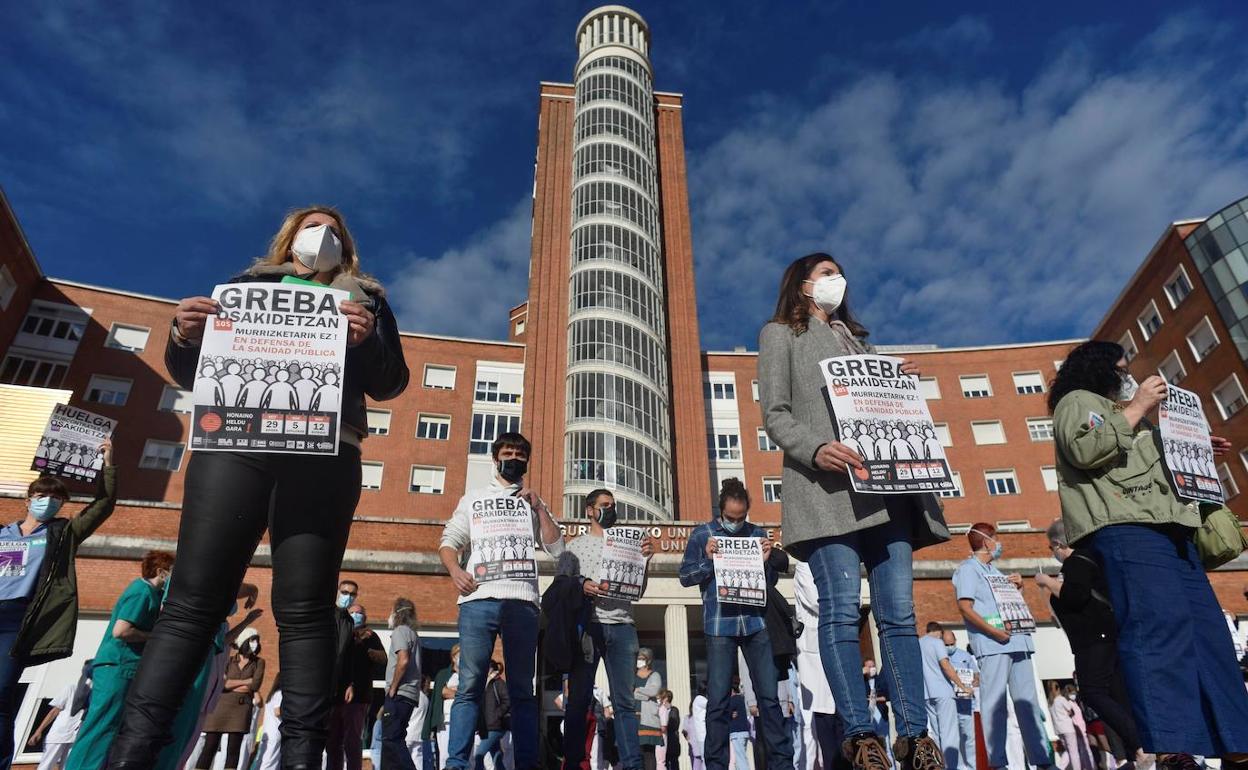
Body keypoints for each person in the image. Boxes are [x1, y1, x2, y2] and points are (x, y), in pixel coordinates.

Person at [106, 206, 410, 770]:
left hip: (326, 450)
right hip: (234, 449)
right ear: (288, 240)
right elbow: (192, 373)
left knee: (308, 610)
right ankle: (131, 757)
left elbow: (392, 381)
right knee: (191, 605)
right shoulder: (243, 288)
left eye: (333, 231)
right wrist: (183, 333)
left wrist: (366, 342)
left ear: (346, 248)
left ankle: (299, 758)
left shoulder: (366, 301)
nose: (320, 237)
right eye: (309, 227)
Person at [758, 253, 949, 770]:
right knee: (842, 610)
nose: (835, 281)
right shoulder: (780, 335)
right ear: (800, 284)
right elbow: (775, 412)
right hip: (826, 492)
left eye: (838, 273)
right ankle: (861, 735)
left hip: (888, 495)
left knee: (900, 616)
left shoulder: (861, 345)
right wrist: (814, 447)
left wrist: (895, 381)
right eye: (825, 273)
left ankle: (916, 737)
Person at [1049, 341, 1248, 765]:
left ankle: (1237, 743)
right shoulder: (1077, 401)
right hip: (1126, 529)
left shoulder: (1132, 418)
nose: (1128, 376)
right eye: (1121, 368)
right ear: (1099, 369)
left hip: (1172, 531)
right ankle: (1172, 748)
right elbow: (1084, 449)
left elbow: (1147, 461)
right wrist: (1137, 406)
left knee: (1208, 635)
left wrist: (1189, 449)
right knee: (1157, 632)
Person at [439, 432, 564, 770]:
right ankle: (456, 764)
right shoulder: (474, 498)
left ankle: (525, 763)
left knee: (523, 689)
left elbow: (557, 547)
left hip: (522, 603)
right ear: (495, 458)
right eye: (508, 452)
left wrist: (538, 508)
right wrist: (454, 570)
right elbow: (450, 540)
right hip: (477, 600)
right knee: (469, 685)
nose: (514, 458)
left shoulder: (533, 501)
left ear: (526, 461)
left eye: (521, 454)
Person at [2, 443, 117, 770]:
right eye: (41, 494)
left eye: (56, 498)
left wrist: (107, 463)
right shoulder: (3, 533)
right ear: (27, 499)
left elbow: (104, 504)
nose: (48, 501)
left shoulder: (63, 533)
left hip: (18, 621)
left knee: (1, 691)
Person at [679, 479, 793, 770]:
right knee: (717, 700)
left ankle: (781, 764)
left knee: (769, 699)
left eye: (741, 518)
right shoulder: (702, 534)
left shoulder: (756, 534)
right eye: (731, 518)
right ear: (721, 511)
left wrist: (766, 562)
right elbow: (685, 576)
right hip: (720, 625)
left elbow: (769, 583)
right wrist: (707, 560)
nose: (736, 523)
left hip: (756, 623)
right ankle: (715, 765)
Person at [1035, 520, 1143, 768]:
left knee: (1093, 691)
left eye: (1052, 548)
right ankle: (1136, 751)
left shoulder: (1077, 562)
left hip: (1093, 639)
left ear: (1057, 544)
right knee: (1117, 693)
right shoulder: (1088, 559)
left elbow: (1076, 596)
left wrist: (1047, 582)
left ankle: (1137, 744)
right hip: (1102, 636)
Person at [562, 489, 656, 770]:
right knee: (579, 700)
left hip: (623, 625)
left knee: (625, 703)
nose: (611, 510)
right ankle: (575, 762)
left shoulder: (630, 544)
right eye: (605, 505)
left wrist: (644, 562)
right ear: (590, 510)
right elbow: (561, 588)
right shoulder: (575, 546)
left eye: (613, 506)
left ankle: (632, 764)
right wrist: (581, 585)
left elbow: (639, 590)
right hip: (587, 627)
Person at [952, 524, 1052, 770]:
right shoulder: (967, 570)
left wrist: (1016, 588)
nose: (998, 543)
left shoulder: (995, 572)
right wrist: (993, 631)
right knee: (994, 704)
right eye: (996, 538)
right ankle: (998, 762)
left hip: (1018, 641)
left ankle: (1042, 761)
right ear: (987, 541)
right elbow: (965, 607)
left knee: (1027, 703)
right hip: (994, 644)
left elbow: (1005, 605)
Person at [65, 550, 174, 770]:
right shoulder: (141, 591)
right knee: (102, 725)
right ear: (161, 572)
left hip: (126, 667)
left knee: (110, 726)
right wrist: (154, 636)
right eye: (172, 572)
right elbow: (121, 630)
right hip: (118, 666)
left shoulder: (152, 595)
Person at [197, 629, 265, 770]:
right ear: (244, 641)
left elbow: (255, 685)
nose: (255, 643)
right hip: (220, 707)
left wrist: (231, 683)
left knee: (233, 750)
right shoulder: (229, 660)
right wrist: (246, 681)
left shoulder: (259, 662)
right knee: (209, 747)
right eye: (252, 639)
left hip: (241, 709)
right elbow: (222, 683)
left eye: (257, 640)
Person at [328, 602, 384, 770]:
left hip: (358, 698)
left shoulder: (370, 636)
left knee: (352, 741)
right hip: (335, 696)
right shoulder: (340, 633)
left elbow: (383, 659)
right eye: (353, 613)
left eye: (359, 613)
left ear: (364, 618)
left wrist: (366, 647)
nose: (356, 615)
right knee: (332, 742)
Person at [919, 623, 971, 769]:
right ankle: (953, 767)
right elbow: (945, 665)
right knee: (949, 734)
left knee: (936, 734)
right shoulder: (937, 642)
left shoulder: (918, 643)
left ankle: (941, 765)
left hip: (926, 694)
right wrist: (962, 686)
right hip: (943, 692)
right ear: (939, 632)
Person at [28, 661, 92, 770]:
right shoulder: (71, 689)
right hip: (59, 734)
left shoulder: (94, 694)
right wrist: (38, 731)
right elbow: (54, 711)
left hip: (76, 737)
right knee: (46, 766)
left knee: (68, 767)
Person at [383, 598, 423, 770]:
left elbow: (403, 660)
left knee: (392, 739)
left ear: (397, 613)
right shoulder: (413, 634)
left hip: (400, 693)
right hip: (409, 694)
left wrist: (393, 687)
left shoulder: (400, 631)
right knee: (392, 739)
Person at [942, 632, 978, 770]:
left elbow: (976, 676)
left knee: (969, 738)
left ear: (956, 641)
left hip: (966, 704)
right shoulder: (941, 659)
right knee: (952, 739)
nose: (950, 647)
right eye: (947, 645)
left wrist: (972, 682)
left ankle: (972, 766)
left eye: (952, 644)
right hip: (949, 705)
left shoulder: (965, 656)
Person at [474, 660, 509, 770]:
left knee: (479, 755)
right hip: (487, 726)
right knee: (496, 756)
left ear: (490, 669)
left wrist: (496, 714)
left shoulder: (498, 683)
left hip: (495, 726)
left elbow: (507, 701)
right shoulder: (485, 684)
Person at [635, 649, 663, 770]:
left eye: (642, 658)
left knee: (648, 753)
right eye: (638, 658)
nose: (639, 661)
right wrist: (644, 695)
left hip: (648, 719)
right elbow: (627, 692)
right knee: (635, 753)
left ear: (649, 660)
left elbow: (653, 691)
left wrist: (637, 690)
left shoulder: (655, 675)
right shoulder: (631, 675)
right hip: (632, 717)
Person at [658, 691, 681, 770]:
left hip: (672, 743)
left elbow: (674, 724)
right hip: (664, 743)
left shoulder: (673, 710)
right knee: (664, 763)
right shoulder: (660, 709)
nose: (660, 700)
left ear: (666, 698)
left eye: (662, 698)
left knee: (674, 764)